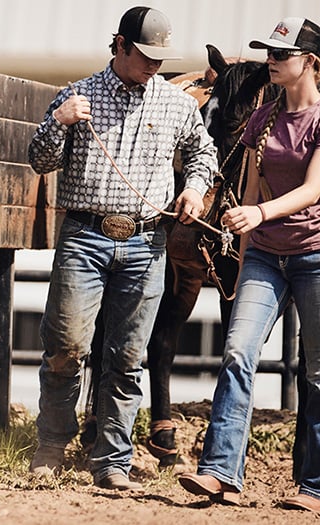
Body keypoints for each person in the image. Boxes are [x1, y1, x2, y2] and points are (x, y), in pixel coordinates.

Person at [27, 6, 217, 491]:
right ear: (120, 46)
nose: (155, 65)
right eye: (147, 55)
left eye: (161, 56)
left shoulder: (177, 105)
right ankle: (50, 446)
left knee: (128, 355)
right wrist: (60, 123)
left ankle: (112, 461)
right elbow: (39, 160)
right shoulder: (77, 96)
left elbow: (203, 152)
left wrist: (194, 187)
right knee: (66, 346)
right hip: (86, 236)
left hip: (145, 239)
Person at [178, 17, 320, 512]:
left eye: (281, 54)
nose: (271, 61)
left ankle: (316, 486)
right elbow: (254, 185)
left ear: (309, 62)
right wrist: (247, 243)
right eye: (270, 53)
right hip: (266, 258)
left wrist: (257, 213)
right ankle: (220, 473)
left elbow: (313, 190)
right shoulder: (263, 118)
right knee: (237, 351)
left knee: (319, 370)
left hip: (318, 255)